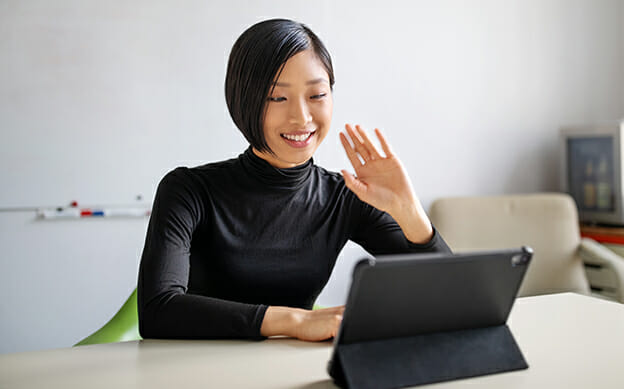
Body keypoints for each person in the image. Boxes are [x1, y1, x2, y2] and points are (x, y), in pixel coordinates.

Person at [137, 18, 451, 342]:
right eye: (277, 98)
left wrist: (410, 214)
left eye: (316, 95)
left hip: (290, 370)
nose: (301, 117)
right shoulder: (188, 191)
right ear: (243, 100)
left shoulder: (344, 197)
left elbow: (448, 294)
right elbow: (158, 310)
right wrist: (296, 321)